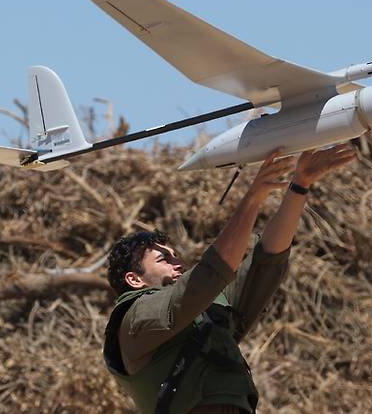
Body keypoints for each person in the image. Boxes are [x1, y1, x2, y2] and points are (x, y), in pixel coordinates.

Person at [104, 145, 356, 414]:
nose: (179, 263)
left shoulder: (207, 313)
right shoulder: (135, 320)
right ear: (134, 280)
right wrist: (252, 200)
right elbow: (209, 275)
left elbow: (265, 261)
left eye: (176, 256)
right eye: (164, 259)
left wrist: (300, 184)